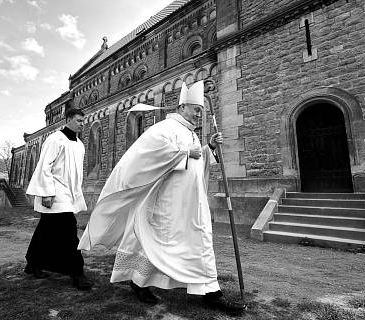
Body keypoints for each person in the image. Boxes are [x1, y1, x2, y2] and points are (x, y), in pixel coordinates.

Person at [78, 81, 246, 314]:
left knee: (200, 242)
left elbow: (197, 161)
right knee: (154, 244)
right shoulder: (163, 128)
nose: (199, 114)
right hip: (167, 205)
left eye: (201, 110)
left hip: (191, 205)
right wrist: (185, 153)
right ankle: (139, 283)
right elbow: (149, 156)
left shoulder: (190, 132)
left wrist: (208, 148)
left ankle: (209, 291)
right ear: (182, 107)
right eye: (196, 109)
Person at [24, 108, 92, 291]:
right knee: (68, 230)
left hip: (69, 192)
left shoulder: (79, 144)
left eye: (83, 121)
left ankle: (33, 264)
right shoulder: (55, 139)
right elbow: (44, 165)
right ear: (68, 119)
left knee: (45, 230)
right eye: (78, 120)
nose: (82, 123)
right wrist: (46, 192)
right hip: (55, 191)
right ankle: (77, 272)